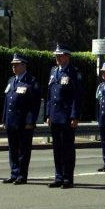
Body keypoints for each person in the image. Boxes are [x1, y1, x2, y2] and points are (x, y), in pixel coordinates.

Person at [45, 44, 83, 189]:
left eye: (60, 55)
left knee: (67, 148)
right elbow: (49, 95)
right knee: (57, 148)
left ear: (67, 56)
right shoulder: (54, 71)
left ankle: (68, 178)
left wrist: (75, 116)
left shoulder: (74, 73)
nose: (57, 58)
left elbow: (77, 97)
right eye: (56, 55)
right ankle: (58, 176)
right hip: (55, 116)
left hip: (67, 117)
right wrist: (48, 114)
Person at [2, 53, 41, 185]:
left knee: (23, 151)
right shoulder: (11, 80)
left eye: (16, 64)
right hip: (11, 121)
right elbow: (7, 102)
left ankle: (22, 175)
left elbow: (34, 104)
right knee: (12, 149)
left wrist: (30, 121)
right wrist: (4, 120)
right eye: (13, 65)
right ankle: (14, 173)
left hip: (24, 122)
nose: (14, 67)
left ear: (24, 65)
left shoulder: (31, 81)